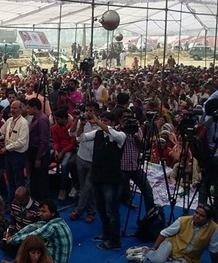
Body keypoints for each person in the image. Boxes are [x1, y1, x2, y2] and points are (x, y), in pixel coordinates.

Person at [78, 111, 126, 251]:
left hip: (111, 180)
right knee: (101, 209)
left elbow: (111, 132)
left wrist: (97, 121)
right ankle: (106, 234)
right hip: (97, 177)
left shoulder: (120, 136)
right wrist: (81, 124)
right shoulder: (98, 134)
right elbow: (80, 138)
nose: (103, 123)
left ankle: (115, 240)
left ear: (113, 123)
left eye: (106, 121)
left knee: (112, 211)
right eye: (102, 120)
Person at [132, 204, 218, 263]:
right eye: (196, 212)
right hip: (172, 245)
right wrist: (154, 248)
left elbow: (213, 248)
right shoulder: (183, 220)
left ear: (208, 219)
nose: (197, 216)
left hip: (189, 258)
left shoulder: (214, 228)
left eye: (202, 216)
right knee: (157, 260)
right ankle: (144, 252)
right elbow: (164, 233)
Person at [0, 187, 41, 257]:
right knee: (2, 244)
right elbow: (12, 222)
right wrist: (9, 232)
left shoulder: (36, 209)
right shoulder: (14, 203)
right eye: (17, 200)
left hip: (28, 237)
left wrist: (16, 239)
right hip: (16, 234)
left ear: (27, 197)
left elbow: (37, 229)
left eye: (21, 201)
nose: (18, 203)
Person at [26, 98, 51, 202]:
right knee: (35, 177)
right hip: (34, 151)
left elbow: (44, 140)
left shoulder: (42, 119)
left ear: (34, 108)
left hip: (39, 152)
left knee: (40, 178)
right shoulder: (35, 118)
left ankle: (41, 200)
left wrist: (39, 158)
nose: (27, 110)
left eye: (28, 108)